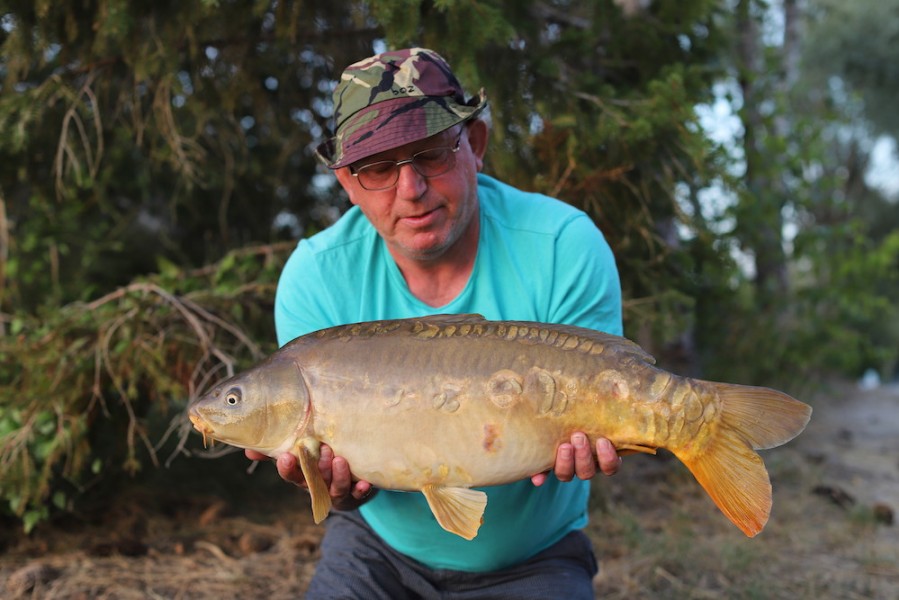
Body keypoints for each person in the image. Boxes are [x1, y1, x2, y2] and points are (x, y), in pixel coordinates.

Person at [245, 47, 624, 599]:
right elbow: (343, 491)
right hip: (378, 551)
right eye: (377, 168)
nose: (411, 189)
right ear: (347, 182)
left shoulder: (565, 245)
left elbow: (611, 408)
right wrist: (334, 487)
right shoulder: (315, 277)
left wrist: (602, 436)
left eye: (430, 154)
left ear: (474, 145)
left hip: (534, 555)